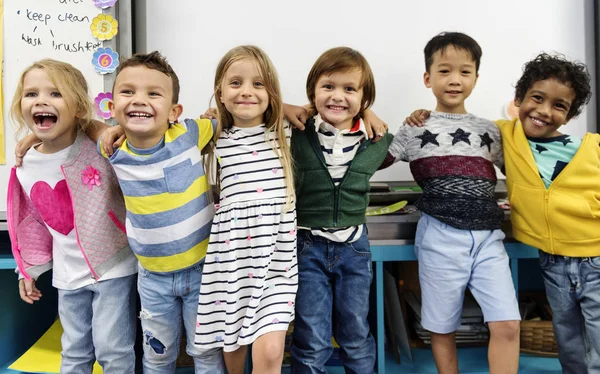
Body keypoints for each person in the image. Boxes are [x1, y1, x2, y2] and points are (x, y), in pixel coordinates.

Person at [407, 52, 599, 374]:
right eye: (537, 98)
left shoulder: (589, 149)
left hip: (595, 258)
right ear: (519, 100)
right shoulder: (502, 135)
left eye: (559, 106)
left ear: (569, 115)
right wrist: (423, 115)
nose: (543, 111)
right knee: (569, 344)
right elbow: (457, 128)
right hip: (552, 262)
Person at [387, 32, 521, 374]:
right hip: (440, 235)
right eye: (444, 71)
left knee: (507, 324)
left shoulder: (490, 130)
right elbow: (372, 162)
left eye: (465, 72)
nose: (454, 80)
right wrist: (372, 119)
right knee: (441, 326)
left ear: (476, 77)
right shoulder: (414, 128)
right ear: (428, 78)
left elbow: (522, 171)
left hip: (488, 237)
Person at [7, 59, 138, 373]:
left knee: (113, 350)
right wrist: (28, 269)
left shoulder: (98, 147)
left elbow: (131, 154)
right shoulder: (26, 164)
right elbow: (32, 223)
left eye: (55, 94)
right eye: (31, 94)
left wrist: (98, 128)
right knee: (74, 352)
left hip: (114, 267)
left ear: (78, 108)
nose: (40, 100)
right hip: (68, 276)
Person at [100, 51, 225, 374]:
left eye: (153, 93)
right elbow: (75, 126)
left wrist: (216, 112)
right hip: (153, 278)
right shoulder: (112, 149)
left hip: (203, 273)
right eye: (128, 92)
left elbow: (231, 115)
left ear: (174, 112)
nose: (139, 100)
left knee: (207, 354)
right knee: (157, 356)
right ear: (112, 109)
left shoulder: (189, 133)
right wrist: (32, 135)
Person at [192, 45, 297, 374]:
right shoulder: (213, 136)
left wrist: (367, 113)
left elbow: (334, 109)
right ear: (220, 93)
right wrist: (112, 128)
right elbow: (152, 134)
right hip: (232, 263)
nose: (247, 91)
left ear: (272, 92)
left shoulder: (286, 134)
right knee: (232, 350)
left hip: (277, 265)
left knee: (270, 354)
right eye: (235, 83)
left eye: (258, 84)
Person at [288, 46, 393, 374]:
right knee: (312, 338)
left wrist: (369, 113)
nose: (337, 97)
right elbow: (261, 110)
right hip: (307, 248)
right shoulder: (298, 131)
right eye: (328, 87)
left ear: (364, 98)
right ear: (313, 92)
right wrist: (299, 108)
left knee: (355, 334)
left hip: (354, 249)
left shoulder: (375, 139)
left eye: (349, 89)